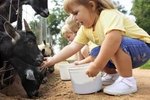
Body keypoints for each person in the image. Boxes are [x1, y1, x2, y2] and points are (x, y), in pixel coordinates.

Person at [42, 0, 150, 96]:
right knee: (95, 52)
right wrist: (52, 60)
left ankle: (128, 81)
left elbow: (114, 39)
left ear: (92, 5)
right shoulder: (85, 29)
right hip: (126, 51)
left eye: (75, 13)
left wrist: (97, 65)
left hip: (142, 48)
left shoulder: (108, 14)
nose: (73, 18)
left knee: (112, 42)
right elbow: (73, 46)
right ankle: (113, 75)